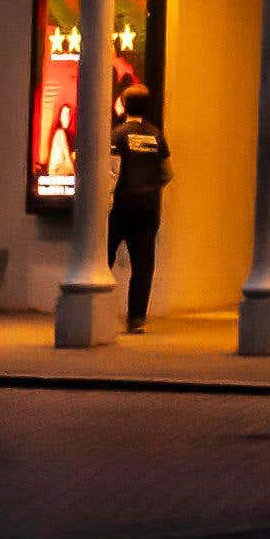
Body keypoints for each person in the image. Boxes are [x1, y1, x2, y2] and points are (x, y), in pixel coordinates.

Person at [102, 56, 172, 334]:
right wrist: (151, 187)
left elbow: (112, 171)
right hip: (148, 207)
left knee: (103, 259)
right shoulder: (156, 136)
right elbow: (167, 172)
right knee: (143, 265)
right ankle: (137, 318)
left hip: (120, 206)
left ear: (124, 104)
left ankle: (99, 312)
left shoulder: (118, 135)